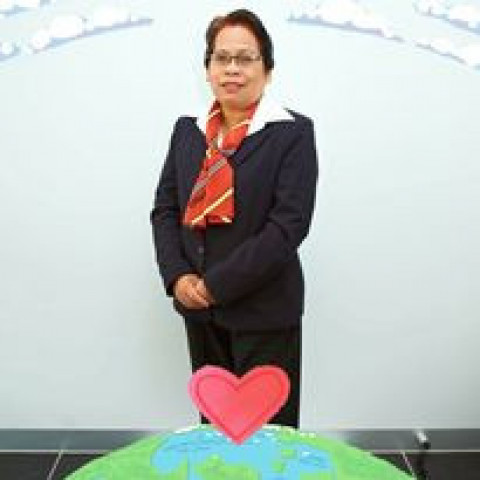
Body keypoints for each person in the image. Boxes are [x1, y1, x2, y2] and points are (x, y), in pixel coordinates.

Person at [151, 8, 318, 427]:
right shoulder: (188, 130)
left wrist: (216, 285)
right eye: (221, 58)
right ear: (207, 68)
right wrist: (178, 277)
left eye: (245, 58)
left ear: (268, 70)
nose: (232, 69)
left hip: (264, 313)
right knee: (216, 432)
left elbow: (287, 227)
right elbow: (166, 209)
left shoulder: (292, 133)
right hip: (200, 312)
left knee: (268, 436)